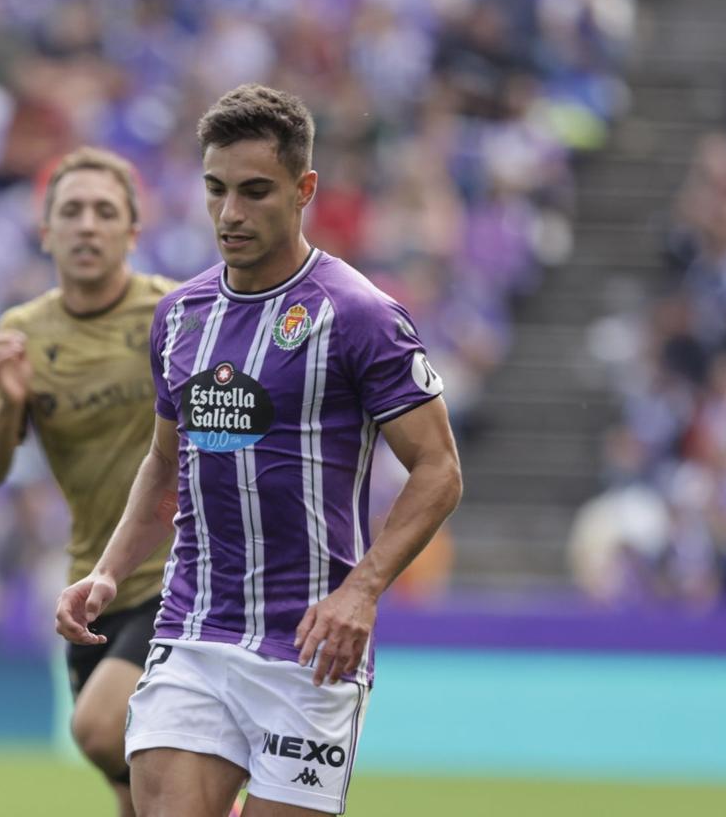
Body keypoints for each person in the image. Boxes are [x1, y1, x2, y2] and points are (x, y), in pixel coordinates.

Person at [56, 85, 464, 816]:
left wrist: (362, 592)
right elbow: (163, 463)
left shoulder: (360, 317)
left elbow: (438, 470)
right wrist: (110, 573)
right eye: (215, 190)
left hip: (311, 651)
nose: (230, 213)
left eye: (254, 191)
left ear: (304, 189)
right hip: (194, 632)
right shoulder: (181, 318)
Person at [0, 146, 175, 817]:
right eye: (72, 211)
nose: (88, 226)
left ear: (132, 233)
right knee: (130, 799)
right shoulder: (24, 330)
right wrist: (11, 402)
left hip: (181, 577)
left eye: (105, 212)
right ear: (46, 230)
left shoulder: (177, 314)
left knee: (96, 727)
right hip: (92, 588)